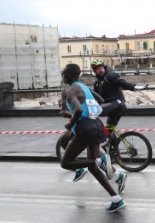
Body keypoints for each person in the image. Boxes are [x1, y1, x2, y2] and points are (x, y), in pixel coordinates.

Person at [60, 63, 127, 213]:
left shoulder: (71, 90)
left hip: (85, 128)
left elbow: (77, 109)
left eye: (64, 74)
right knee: (93, 168)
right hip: (96, 124)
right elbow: (101, 100)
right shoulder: (84, 87)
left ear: (69, 76)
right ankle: (116, 199)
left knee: (66, 162)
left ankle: (99, 160)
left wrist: (71, 122)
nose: (62, 76)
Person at [71, 59, 147, 188]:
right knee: (107, 129)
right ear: (93, 70)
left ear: (104, 67)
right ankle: (111, 142)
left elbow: (121, 83)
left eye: (101, 67)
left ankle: (99, 134)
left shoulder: (110, 76)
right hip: (113, 107)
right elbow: (95, 97)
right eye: (96, 68)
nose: (99, 70)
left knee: (95, 113)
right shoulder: (97, 83)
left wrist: (135, 87)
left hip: (116, 104)